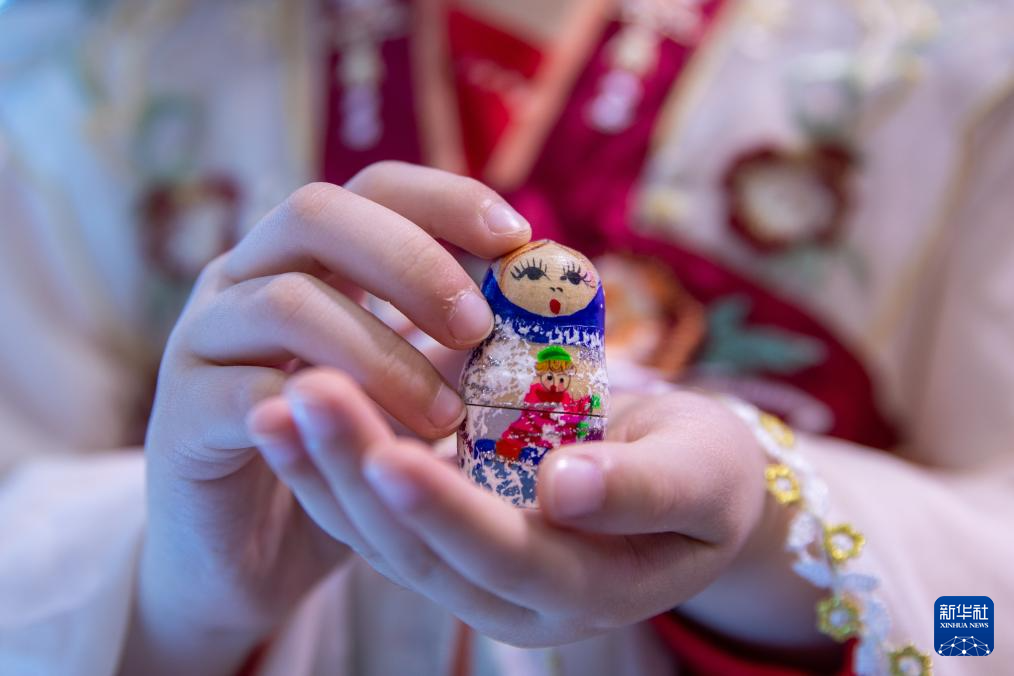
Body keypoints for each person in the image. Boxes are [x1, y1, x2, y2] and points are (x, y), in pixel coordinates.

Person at [0, 1, 1012, 675]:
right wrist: (175, 596)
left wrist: (772, 532)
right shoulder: (76, 92)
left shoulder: (964, 77)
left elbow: (989, 608)